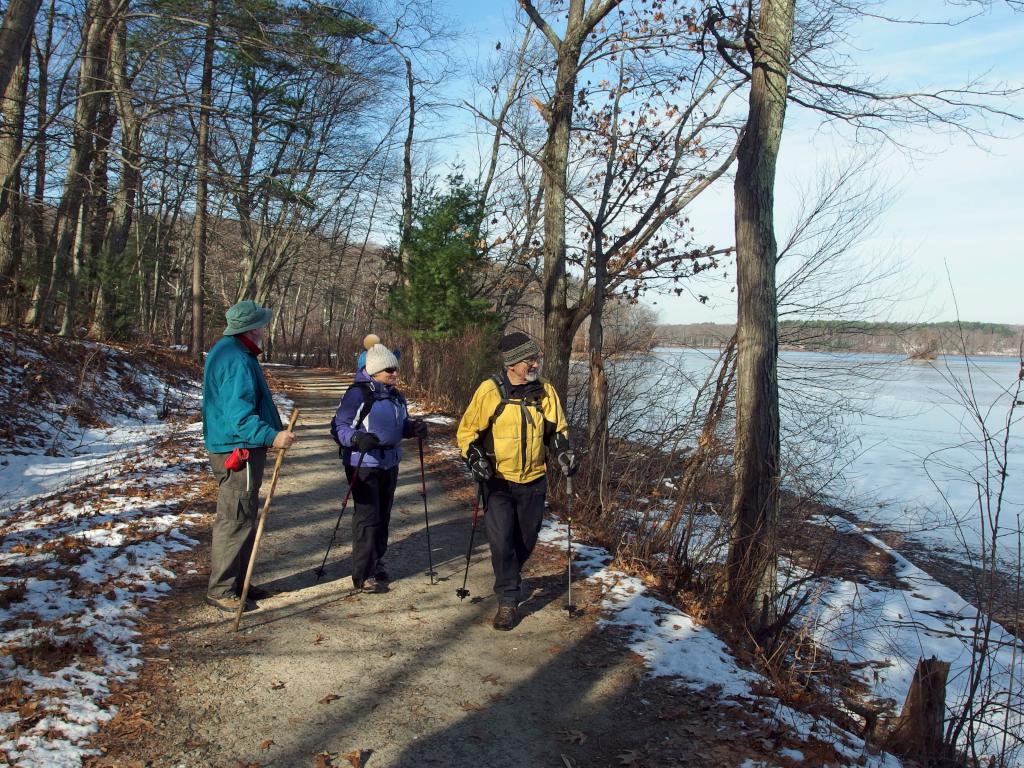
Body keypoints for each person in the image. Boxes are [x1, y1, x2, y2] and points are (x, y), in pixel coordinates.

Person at [456, 331, 578, 630]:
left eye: (536, 358)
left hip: (534, 479)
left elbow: (558, 431)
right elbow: (466, 432)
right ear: (512, 364)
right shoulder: (490, 391)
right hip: (497, 481)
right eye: (529, 360)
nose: (536, 364)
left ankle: (511, 575)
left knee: (525, 540)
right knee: (501, 542)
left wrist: (564, 454)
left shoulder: (545, 391)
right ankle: (508, 599)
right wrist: (474, 458)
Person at [202, 300, 296, 613]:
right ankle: (223, 588)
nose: (266, 330)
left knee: (243, 514)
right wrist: (272, 435)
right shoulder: (234, 359)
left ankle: (239, 582)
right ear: (252, 328)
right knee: (235, 517)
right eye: (263, 325)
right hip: (237, 450)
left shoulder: (235, 352)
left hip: (238, 446)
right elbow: (238, 415)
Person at [331, 343, 427, 592]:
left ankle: (377, 561)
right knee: (367, 517)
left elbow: (401, 426)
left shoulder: (396, 395)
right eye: (389, 370)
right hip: (363, 463)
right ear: (374, 370)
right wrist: (356, 438)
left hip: (390, 461)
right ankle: (363, 574)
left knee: (383, 514)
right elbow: (339, 427)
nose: (394, 374)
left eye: (395, 369)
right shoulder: (358, 393)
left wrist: (413, 429)